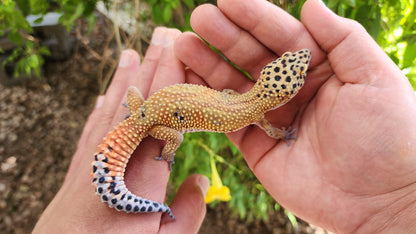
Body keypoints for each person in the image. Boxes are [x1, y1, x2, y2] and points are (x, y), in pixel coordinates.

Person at [33, 0, 416, 232]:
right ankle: (154, 158)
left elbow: (232, 94)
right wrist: (168, 153)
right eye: (291, 68)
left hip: (144, 108)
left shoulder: (248, 101)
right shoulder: (259, 115)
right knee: (177, 138)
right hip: (158, 121)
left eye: (293, 70)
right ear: (278, 85)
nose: (297, 66)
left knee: (145, 105)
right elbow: (253, 115)